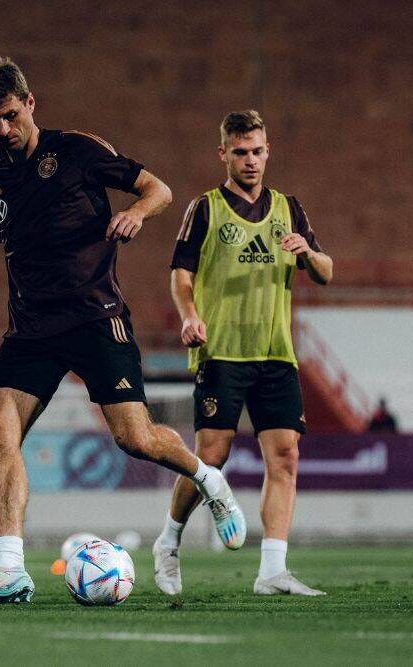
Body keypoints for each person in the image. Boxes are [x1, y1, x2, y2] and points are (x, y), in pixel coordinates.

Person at [0, 57, 246, 606]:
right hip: (32, 329)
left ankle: (208, 480)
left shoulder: (78, 151)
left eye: (10, 115)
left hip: (96, 318)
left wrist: (138, 211)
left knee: (135, 439)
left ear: (31, 102)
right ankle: (9, 569)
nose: (3, 129)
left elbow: (158, 188)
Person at [153, 110, 333, 597]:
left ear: (268, 150)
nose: (250, 160)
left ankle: (272, 571)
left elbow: (326, 270)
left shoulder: (289, 209)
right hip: (223, 352)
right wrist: (189, 314)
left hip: (276, 353)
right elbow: (181, 273)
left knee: (286, 457)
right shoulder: (206, 209)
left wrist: (308, 255)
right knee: (211, 456)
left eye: (257, 151)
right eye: (240, 152)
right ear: (224, 155)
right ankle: (168, 543)